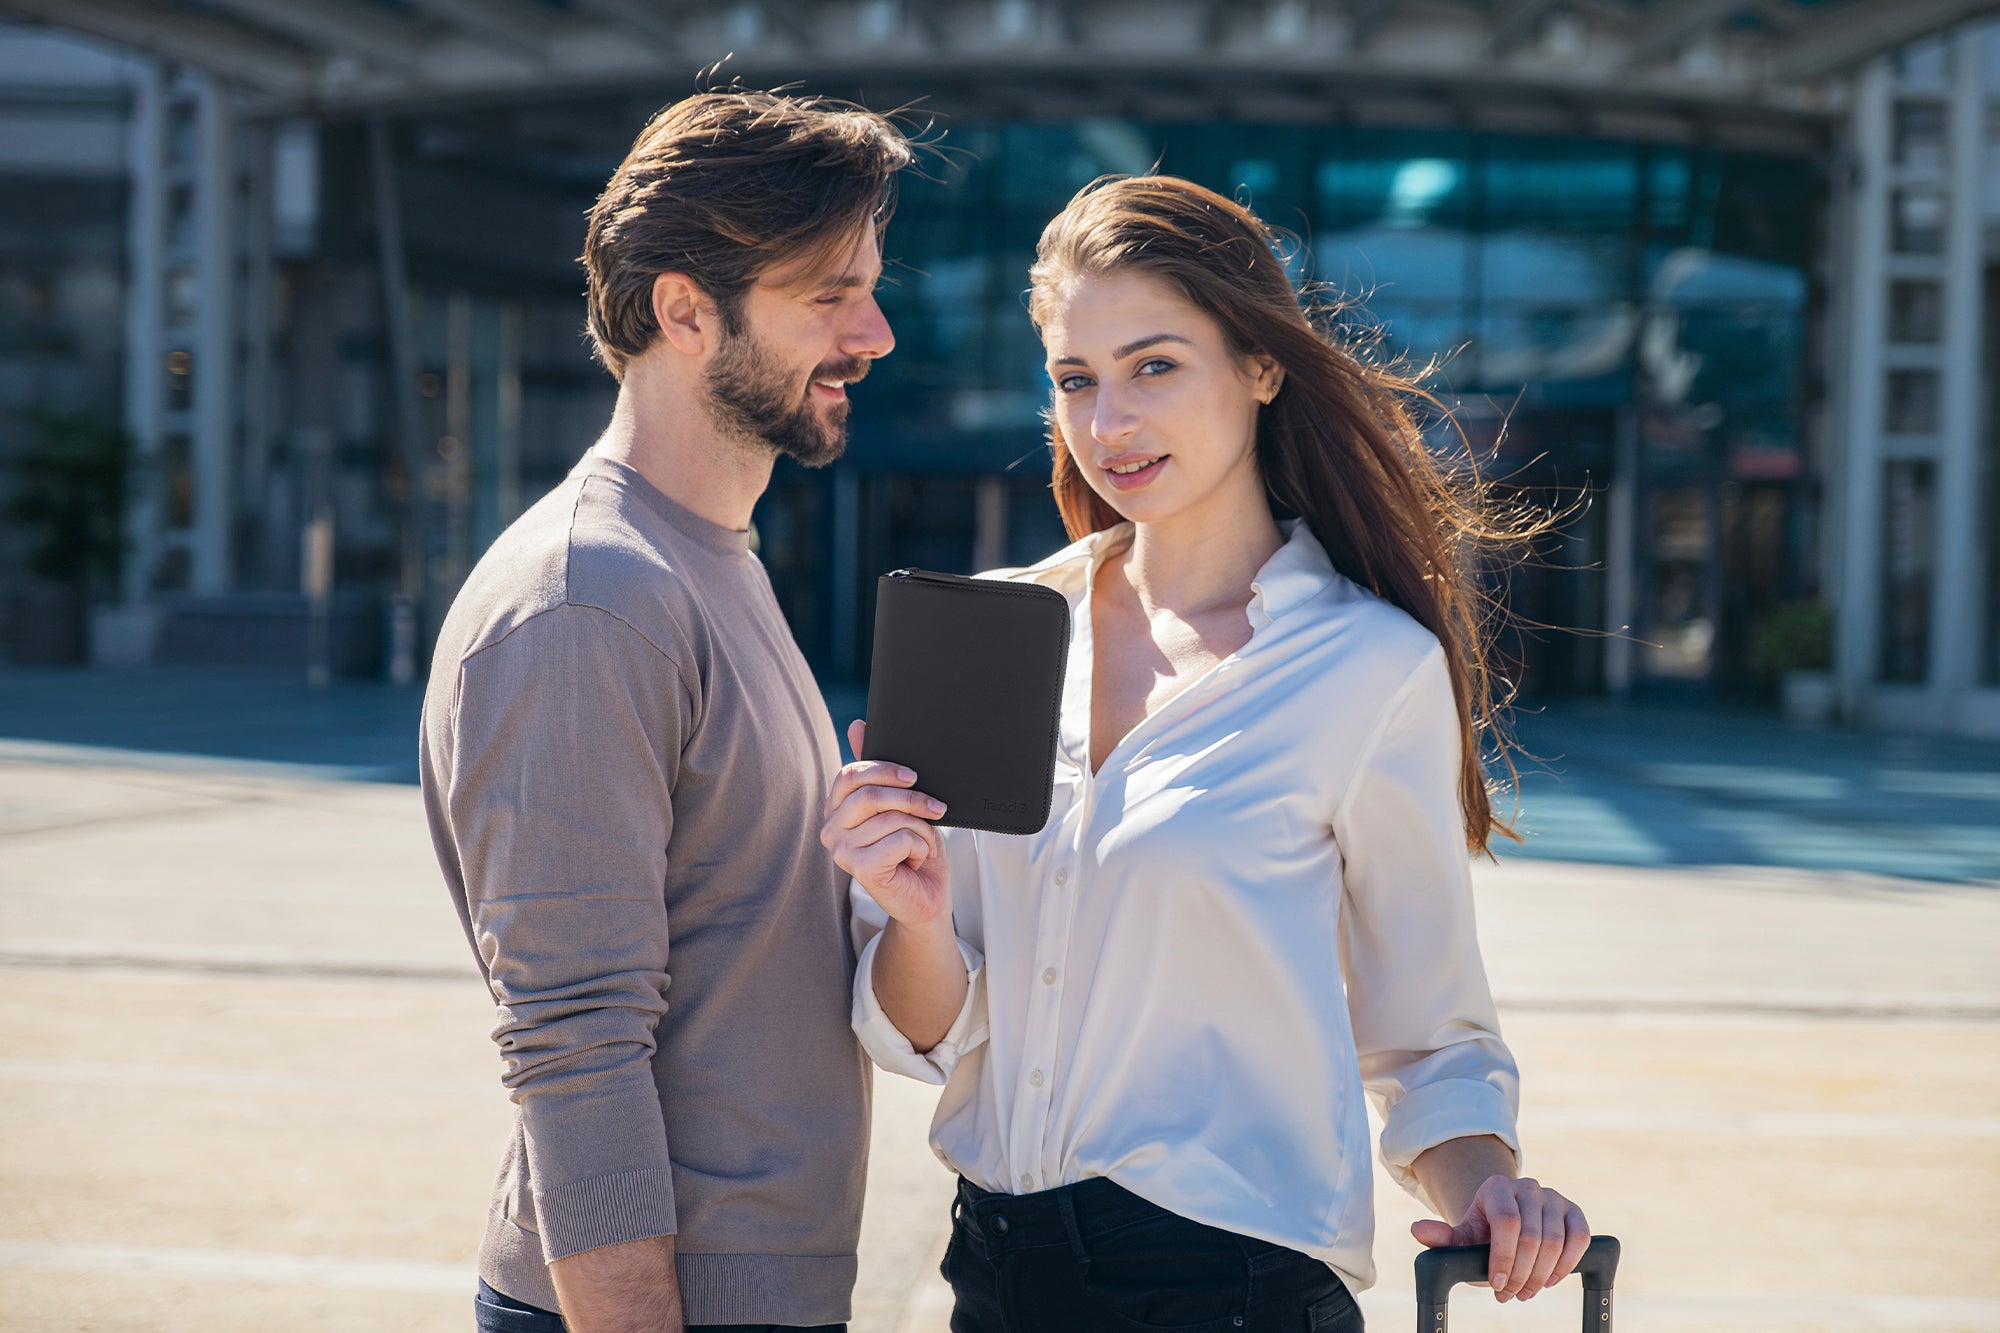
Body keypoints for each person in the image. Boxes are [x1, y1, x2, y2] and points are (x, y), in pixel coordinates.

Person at [822, 174, 1590, 1331]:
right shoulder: (990, 631)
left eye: (1154, 366)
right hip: (994, 1274)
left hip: (1233, 1286)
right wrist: (912, 911)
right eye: (1075, 380)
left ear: (1260, 367)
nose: (1108, 423)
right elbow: (927, 1034)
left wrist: (1492, 1195)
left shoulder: (1364, 670)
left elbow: (1429, 1036)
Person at [421, 89, 912, 1333]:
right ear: (683, 309)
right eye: (827, 296)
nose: (875, 332)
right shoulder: (590, 598)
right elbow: (572, 1039)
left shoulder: (708, 559)